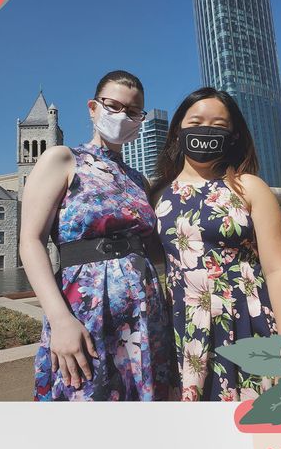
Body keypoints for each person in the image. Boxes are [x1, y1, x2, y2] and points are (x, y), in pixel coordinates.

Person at [19, 70, 178, 401]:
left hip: (145, 318)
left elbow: (157, 252)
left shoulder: (139, 179)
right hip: (84, 311)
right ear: (93, 108)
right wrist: (60, 319)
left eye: (133, 111)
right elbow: (30, 241)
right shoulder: (63, 159)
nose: (124, 116)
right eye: (113, 105)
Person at [149, 87, 281, 401]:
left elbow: (277, 270)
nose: (206, 131)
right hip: (183, 331)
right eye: (196, 122)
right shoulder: (157, 195)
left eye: (219, 126)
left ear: (232, 136)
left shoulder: (250, 188)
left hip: (248, 320)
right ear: (178, 130)